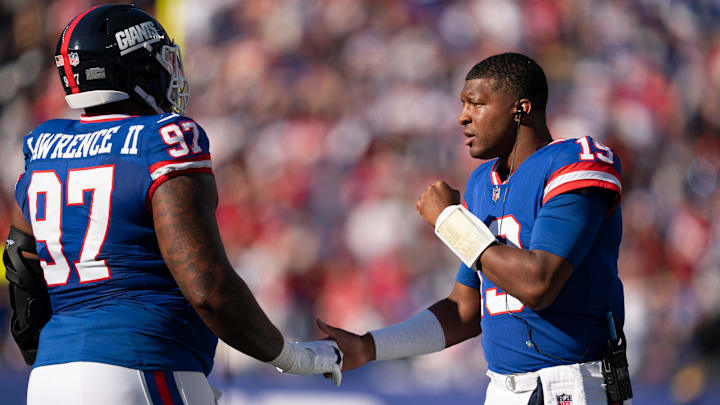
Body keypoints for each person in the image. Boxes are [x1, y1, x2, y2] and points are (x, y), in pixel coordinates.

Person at [3, 5, 342, 404]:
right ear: (136, 67)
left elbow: (22, 267)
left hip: (49, 379)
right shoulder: (162, 138)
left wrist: (64, 359)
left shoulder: (43, 144)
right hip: (146, 359)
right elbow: (207, 289)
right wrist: (292, 356)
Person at [318, 52, 632, 404]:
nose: (462, 116)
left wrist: (450, 222)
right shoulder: (481, 183)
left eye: (477, 104)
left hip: (571, 384)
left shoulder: (575, 161)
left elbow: (538, 283)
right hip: (502, 387)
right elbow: (465, 310)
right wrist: (369, 346)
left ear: (521, 109)